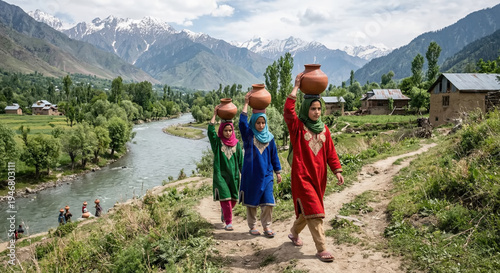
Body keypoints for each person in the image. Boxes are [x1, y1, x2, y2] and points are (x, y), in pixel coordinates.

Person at [283, 73, 344, 262]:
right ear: (306, 109)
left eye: (319, 109)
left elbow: (331, 153)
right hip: (302, 177)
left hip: (319, 178)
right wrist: (296, 87)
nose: (317, 112)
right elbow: (287, 111)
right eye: (313, 109)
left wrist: (337, 170)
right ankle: (322, 248)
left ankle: (294, 232)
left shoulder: (325, 130)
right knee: (315, 211)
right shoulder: (298, 127)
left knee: (308, 211)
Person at [238, 92, 282, 237]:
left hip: (267, 174)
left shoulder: (270, 138)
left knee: (268, 202)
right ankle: (252, 226)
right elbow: (242, 124)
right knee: (251, 203)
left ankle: (267, 227)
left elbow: (274, 155)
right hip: (251, 175)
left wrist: (278, 172)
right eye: (258, 123)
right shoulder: (249, 136)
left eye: (263, 123)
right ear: (254, 123)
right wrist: (246, 103)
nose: (261, 125)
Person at [208, 105, 243, 231]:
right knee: (226, 200)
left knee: (233, 200)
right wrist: (215, 114)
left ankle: (224, 211)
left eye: (230, 131)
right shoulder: (217, 143)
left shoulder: (237, 144)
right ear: (221, 131)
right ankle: (229, 222)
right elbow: (210, 131)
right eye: (225, 130)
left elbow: (240, 161)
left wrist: (243, 174)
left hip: (233, 177)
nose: (228, 133)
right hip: (221, 176)